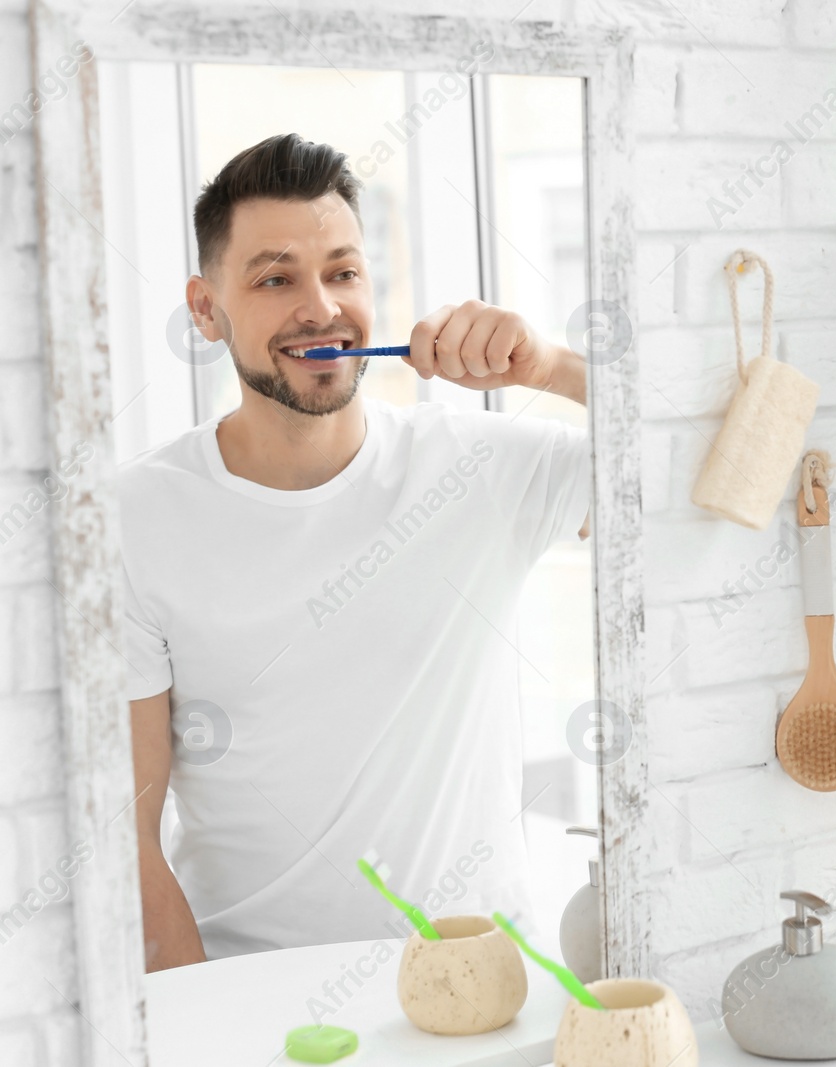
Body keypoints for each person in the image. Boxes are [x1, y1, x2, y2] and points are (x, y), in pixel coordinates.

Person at [118, 133, 592, 968]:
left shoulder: (481, 467)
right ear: (204, 308)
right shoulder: (134, 517)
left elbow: (725, 461)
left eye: (342, 272)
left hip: (483, 991)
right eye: (275, 278)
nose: (322, 308)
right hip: (252, 992)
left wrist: (551, 366)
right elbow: (129, 841)